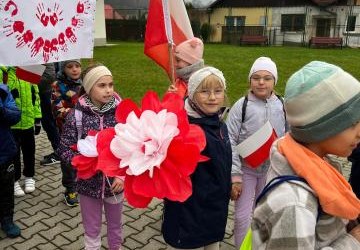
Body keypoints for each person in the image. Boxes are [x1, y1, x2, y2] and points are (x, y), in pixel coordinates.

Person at [252, 61, 360, 249]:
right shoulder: (293, 204)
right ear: (321, 129)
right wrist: (352, 241)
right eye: (352, 124)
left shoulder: (320, 165)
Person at [162, 66, 232, 250]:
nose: (212, 97)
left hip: (214, 207)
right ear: (192, 94)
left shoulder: (219, 124)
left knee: (212, 243)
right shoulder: (182, 128)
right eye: (204, 91)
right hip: (189, 211)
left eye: (218, 91)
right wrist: (169, 105)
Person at [57, 64, 124, 249]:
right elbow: (63, 149)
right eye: (101, 85)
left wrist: (121, 175)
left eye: (111, 84)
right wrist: (83, 162)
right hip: (88, 185)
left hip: (115, 185)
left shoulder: (120, 112)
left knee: (116, 227)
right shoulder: (76, 115)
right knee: (92, 229)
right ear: (88, 87)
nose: (109, 90)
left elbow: (130, 147)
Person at [226, 56, 286, 248]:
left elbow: (290, 137)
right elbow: (230, 141)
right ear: (250, 80)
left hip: (270, 170)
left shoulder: (283, 105)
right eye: (256, 77)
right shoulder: (241, 106)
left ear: (274, 81)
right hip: (246, 170)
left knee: (263, 214)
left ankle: (258, 245)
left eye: (267, 78)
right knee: (243, 216)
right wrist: (235, 176)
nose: (261, 82)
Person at [0, 67, 42, 197]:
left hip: (28, 122)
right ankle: (15, 179)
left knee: (29, 151)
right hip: (11, 125)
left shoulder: (28, 69)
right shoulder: (3, 71)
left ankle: (29, 176)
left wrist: (37, 118)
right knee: (14, 153)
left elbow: (36, 96)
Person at [51, 59, 82, 206]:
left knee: (83, 157)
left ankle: (82, 184)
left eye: (77, 66)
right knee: (68, 160)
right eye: (70, 67)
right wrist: (75, 113)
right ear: (64, 69)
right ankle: (70, 188)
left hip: (84, 130)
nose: (75, 69)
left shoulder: (85, 84)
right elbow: (57, 109)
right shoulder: (58, 85)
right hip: (66, 129)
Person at [0, 83, 21, 238]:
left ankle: (7, 220)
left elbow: (15, 116)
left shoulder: (2, 90)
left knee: (6, 190)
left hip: (4, 152)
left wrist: (1, 110)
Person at [38, 63, 61, 166]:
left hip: (43, 94)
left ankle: (59, 152)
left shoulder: (43, 52)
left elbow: (49, 76)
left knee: (49, 123)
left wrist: (26, 80)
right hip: (23, 95)